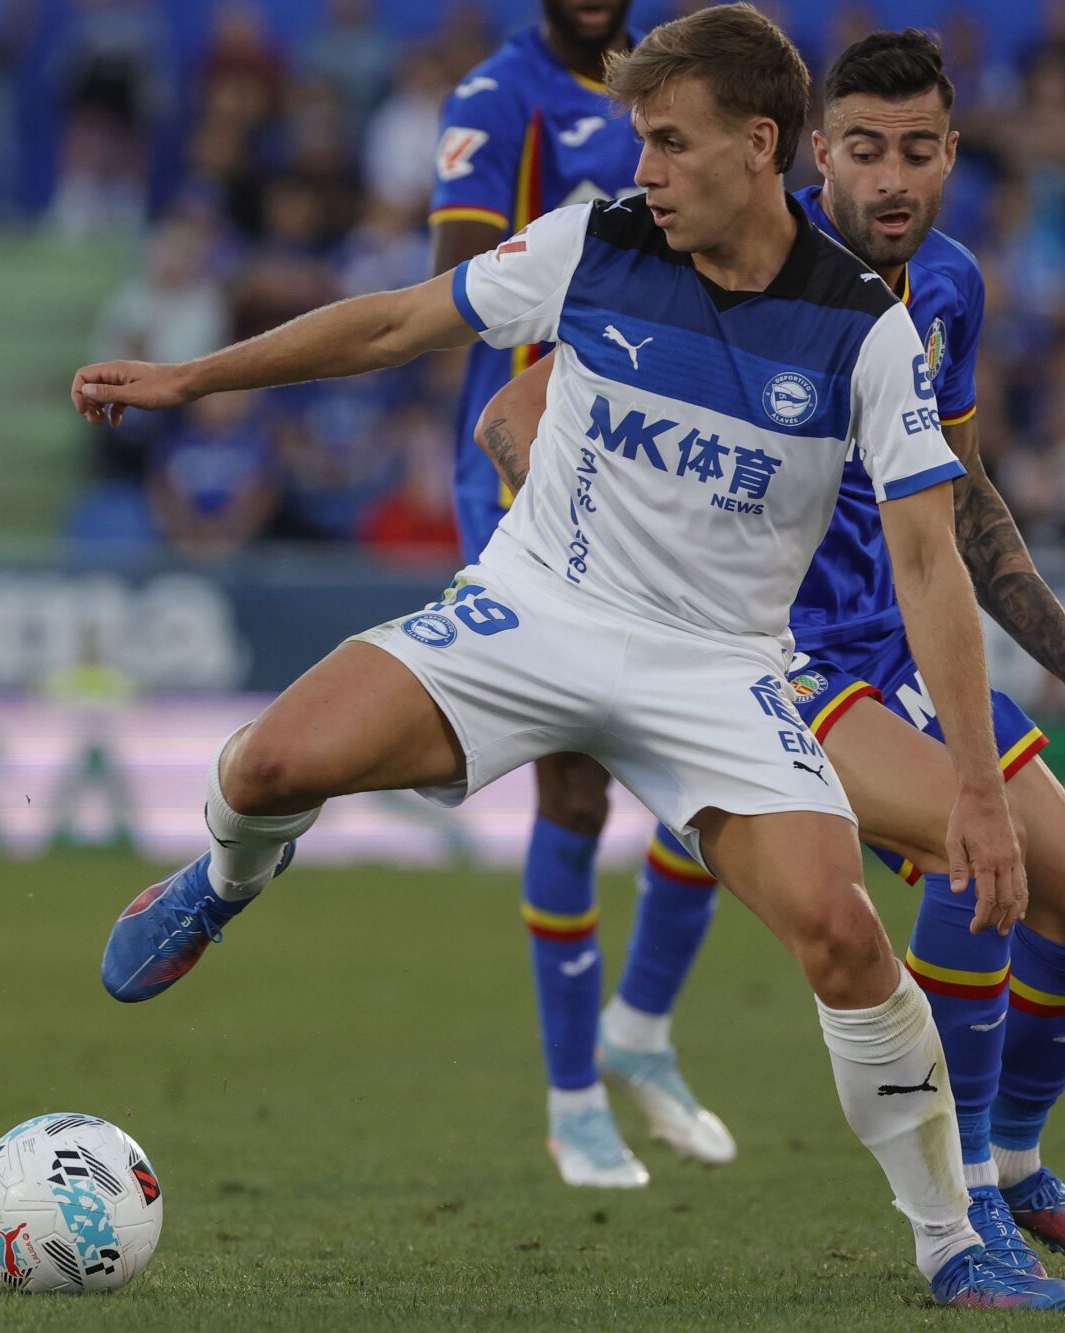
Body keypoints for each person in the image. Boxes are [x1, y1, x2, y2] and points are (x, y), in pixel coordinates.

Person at [80, 6, 1065, 1309]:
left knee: (842, 934)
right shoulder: (595, 242)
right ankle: (219, 881)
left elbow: (929, 560)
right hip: (534, 615)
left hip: (716, 672)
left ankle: (953, 1234)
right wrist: (191, 379)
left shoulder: (863, 335)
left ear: (758, 146)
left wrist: (978, 789)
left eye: (668, 142)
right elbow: (394, 324)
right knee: (269, 763)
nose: (644, 168)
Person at [474, 29, 1065, 1280]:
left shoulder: (945, 287)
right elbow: (514, 415)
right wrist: (603, 562)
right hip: (768, 654)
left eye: (916, 152)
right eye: (862, 149)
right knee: (961, 851)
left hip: (894, 644)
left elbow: (964, 494)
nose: (889, 178)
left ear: (949, 156)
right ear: (812, 150)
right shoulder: (723, 257)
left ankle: (1016, 1166)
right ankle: (962, 1196)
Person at [429, 0, 738, 1189]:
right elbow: (454, 286)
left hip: (681, 455)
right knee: (572, 779)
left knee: (723, 749)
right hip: (537, 465)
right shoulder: (498, 99)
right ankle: (573, 1102)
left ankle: (641, 1027)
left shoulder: (686, 89)